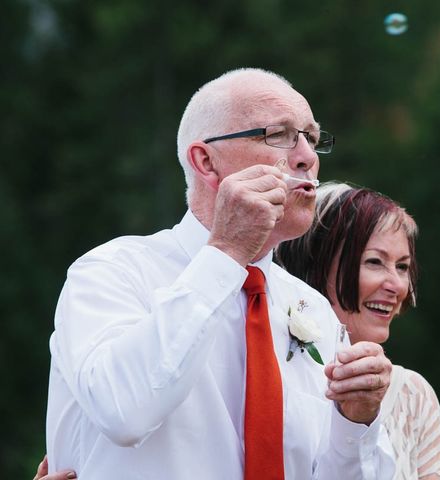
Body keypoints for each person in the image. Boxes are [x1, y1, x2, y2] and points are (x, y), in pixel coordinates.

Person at [45, 68, 395, 479]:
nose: (307, 156)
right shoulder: (111, 272)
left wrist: (356, 423)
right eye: (279, 134)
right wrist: (228, 251)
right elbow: (124, 412)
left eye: (312, 138)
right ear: (206, 161)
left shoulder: (313, 311)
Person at [276, 182, 440, 480]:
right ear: (316, 263)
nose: (398, 286)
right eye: (375, 262)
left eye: (402, 267)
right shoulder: (268, 373)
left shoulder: (411, 395)